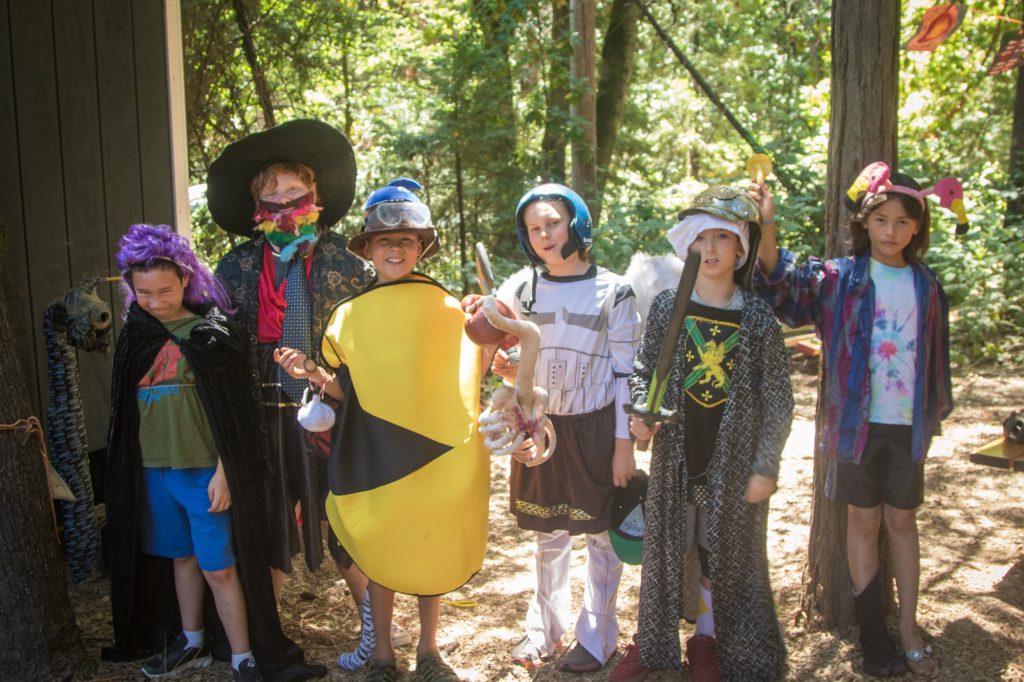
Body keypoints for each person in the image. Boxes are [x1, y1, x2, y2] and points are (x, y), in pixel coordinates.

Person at [276, 178, 499, 682]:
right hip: (376, 453)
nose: (395, 249)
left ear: (420, 247)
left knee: (429, 543)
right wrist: (310, 373)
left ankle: (429, 651)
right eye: (384, 242)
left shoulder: (449, 309)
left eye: (405, 241)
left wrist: (492, 331)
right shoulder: (348, 316)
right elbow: (344, 392)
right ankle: (381, 654)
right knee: (382, 548)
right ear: (369, 249)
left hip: (439, 451)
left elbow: (474, 373)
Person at [209, 121, 412, 653]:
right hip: (261, 415)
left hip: (334, 411)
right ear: (256, 203)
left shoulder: (350, 267)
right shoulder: (234, 268)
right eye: (270, 191)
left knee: (345, 518)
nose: (282, 199)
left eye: (293, 189)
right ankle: (264, 638)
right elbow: (219, 351)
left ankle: (375, 633)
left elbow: (375, 344)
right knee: (268, 523)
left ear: (314, 195)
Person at [751, 164, 952, 678]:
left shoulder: (927, 286)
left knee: (902, 523)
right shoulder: (838, 279)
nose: (891, 231)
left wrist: (933, 417)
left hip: (905, 427)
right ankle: (871, 635)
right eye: (881, 220)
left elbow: (937, 361)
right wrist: (766, 224)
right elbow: (779, 280)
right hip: (853, 427)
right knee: (862, 522)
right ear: (865, 223)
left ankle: (907, 627)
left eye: (903, 222)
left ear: (917, 229)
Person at [104, 224, 325, 681]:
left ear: (186, 279)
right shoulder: (135, 336)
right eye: (143, 292)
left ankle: (243, 654)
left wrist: (225, 471)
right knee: (180, 559)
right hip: (155, 472)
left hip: (204, 473)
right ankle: (192, 642)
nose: (156, 301)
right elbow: (122, 418)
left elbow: (237, 417)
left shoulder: (213, 333)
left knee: (219, 567)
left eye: (165, 290)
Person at [609, 186, 792, 682]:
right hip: (676, 455)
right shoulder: (671, 306)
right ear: (687, 247)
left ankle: (708, 641)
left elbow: (778, 400)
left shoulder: (755, 317)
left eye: (722, 238)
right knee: (667, 551)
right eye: (700, 238)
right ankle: (651, 643)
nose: (710, 249)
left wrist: (765, 466)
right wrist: (641, 413)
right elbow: (648, 368)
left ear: (741, 250)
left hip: (733, 462)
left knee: (723, 554)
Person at [491, 184, 640, 673]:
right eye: (534, 228)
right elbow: (511, 354)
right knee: (549, 534)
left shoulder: (613, 291)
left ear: (576, 221)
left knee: (599, 536)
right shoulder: (520, 289)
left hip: (596, 429)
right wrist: (506, 364)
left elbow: (626, 373)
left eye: (552, 222)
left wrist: (624, 448)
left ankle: (597, 636)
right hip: (542, 428)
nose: (544, 234)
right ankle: (544, 630)